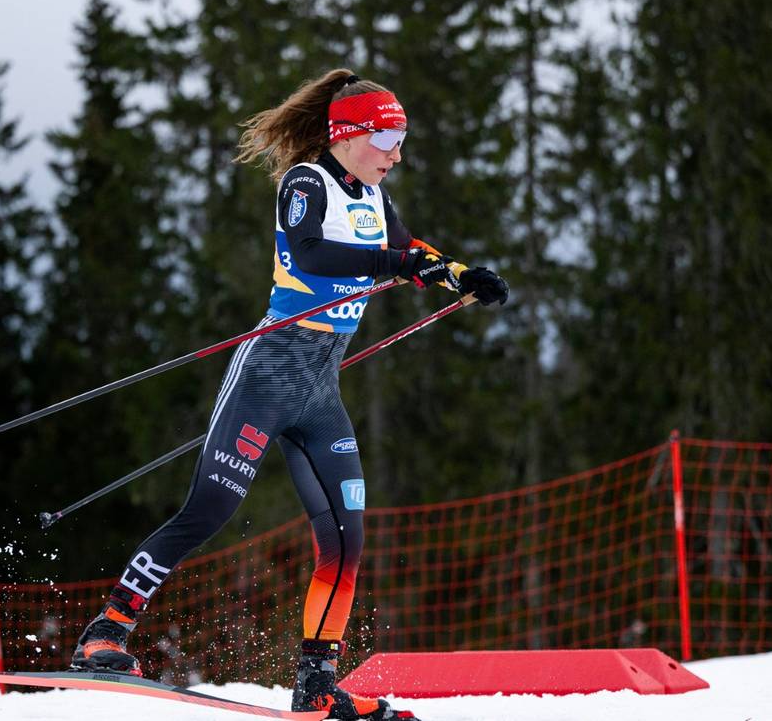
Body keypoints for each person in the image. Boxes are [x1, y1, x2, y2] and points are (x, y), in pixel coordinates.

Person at [67, 68, 509, 721]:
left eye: (401, 141)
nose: (396, 154)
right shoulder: (307, 182)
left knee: (346, 538)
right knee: (210, 509)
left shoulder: (373, 196)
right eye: (387, 140)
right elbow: (311, 256)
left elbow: (407, 248)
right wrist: (403, 265)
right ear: (350, 135)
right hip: (269, 372)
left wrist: (460, 274)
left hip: (320, 388)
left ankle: (317, 682)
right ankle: (107, 631)